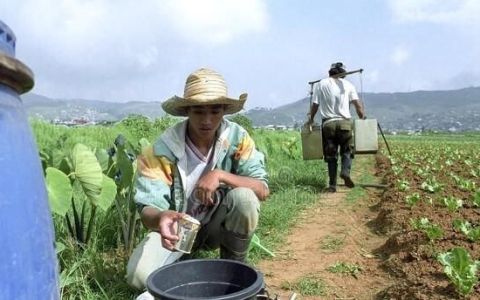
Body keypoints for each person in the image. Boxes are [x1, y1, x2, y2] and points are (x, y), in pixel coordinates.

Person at [126, 68, 269, 297]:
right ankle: (181, 261)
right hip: (178, 229)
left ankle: (234, 270)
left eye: (215, 111)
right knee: (138, 277)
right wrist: (161, 217)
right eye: (199, 111)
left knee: (244, 198)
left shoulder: (236, 138)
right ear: (186, 111)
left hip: (216, 225)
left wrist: (220, 175)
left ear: (224, 111)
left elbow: (261, 189)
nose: (207, 120)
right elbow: (146, 208)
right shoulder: (162, 150)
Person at [307, 62, 366, 193]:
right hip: (345, 123)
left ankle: (332, 185)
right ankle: (345, 172)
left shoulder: (320, 84)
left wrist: (310, 119)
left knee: (331, 155)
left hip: (328, 125)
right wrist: (362, 117)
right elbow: (358, 105)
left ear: (330, 72)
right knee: (347, 150)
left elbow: (315, 105)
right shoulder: (349, 86)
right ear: (343, 73)